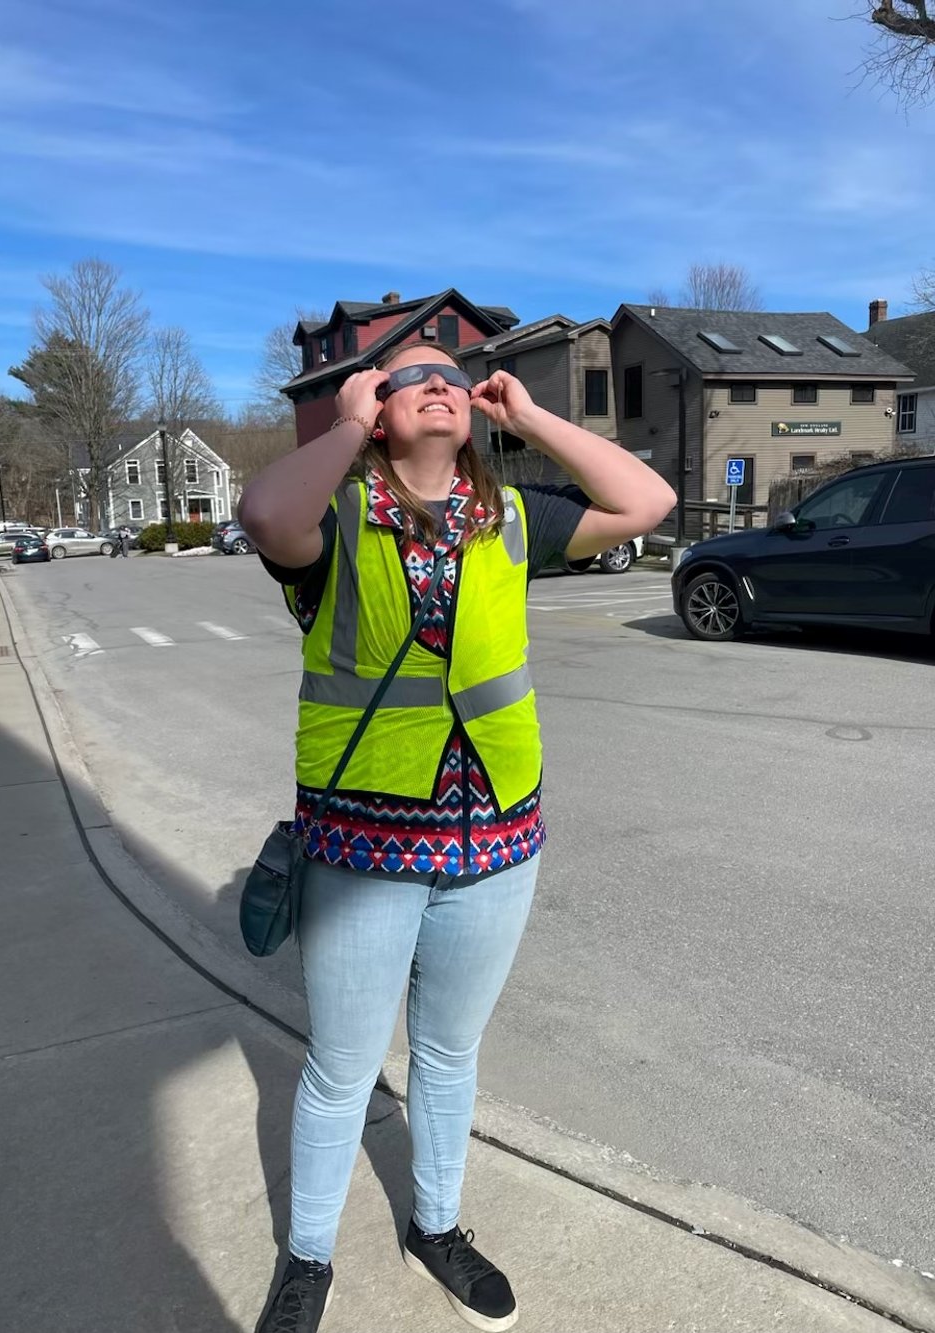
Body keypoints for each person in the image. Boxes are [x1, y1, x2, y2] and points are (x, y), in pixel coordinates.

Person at [238, 342, 675, 1333]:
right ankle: (308, 1256)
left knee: (447, 1055)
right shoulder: (336, 518)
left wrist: (529, 421)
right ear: (378, 411)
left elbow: (645, 502)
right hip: (364, 846)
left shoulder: (511, 516)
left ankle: (435, 1226)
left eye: (448, 372)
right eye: (402, 378)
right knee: (343, 1068)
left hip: (495, 838)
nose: (433, 382)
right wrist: (346, 422)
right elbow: (264, 514)